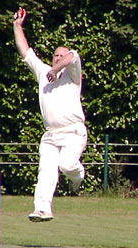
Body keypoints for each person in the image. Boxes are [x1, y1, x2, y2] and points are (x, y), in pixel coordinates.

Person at [13, 8, 87, 222]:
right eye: (55, 55)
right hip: (51, 134)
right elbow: (25, 52)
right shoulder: (43, 72)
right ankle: (42, 209)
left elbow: (73, 56)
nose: (57, 58)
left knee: (67, 165)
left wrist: (56, 70)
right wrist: (17, 26)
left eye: (60, 56)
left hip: (73, 131)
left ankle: (78, 176)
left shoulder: (72, 75)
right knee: (46, 171)